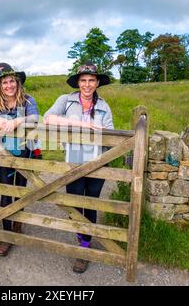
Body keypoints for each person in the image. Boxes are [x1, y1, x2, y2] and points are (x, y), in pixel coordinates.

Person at [43, 61, 113, 273]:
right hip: (73, 161)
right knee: (74, 202)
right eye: (83, 80)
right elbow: (48, 118)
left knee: (90, 202)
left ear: (97, 82)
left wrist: (101, 135)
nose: (87, 84)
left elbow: (111, 134)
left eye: (91, 80)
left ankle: (84, 246)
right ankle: (80, 234)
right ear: (78, 82)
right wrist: (82, 125)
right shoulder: (66, 100)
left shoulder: (104, 106)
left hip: (96, 162)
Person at [0, 62, 39, 257]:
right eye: (4, 83)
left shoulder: (27, 100)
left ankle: (17, 222)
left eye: (12, 81)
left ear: (17, 82)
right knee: (5, 191)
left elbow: (35, 117)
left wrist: (18, 120)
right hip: (3, 154)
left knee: (20, 189)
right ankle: (6, 233)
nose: (9, 86)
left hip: (24, 152)